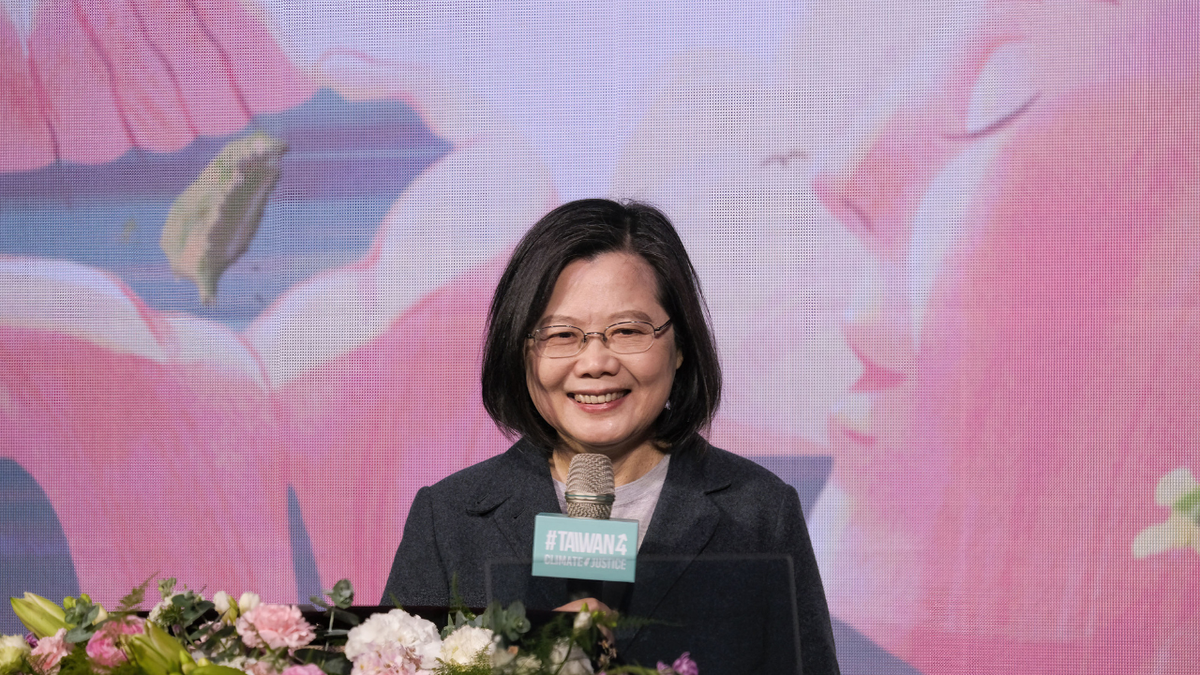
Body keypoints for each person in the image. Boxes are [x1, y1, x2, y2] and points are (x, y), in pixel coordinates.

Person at [382, 198, 840, 673]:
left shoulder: (759, 513)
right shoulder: (452, 518)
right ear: (521, 353)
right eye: (561, 335)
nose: (596, 362)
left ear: (679, 345)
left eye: (626, 331)